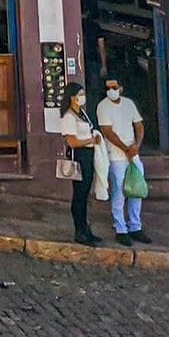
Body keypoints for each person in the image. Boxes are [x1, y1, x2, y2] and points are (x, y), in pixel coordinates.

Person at [96, 76, 150, 244]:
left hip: (133, 154)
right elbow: (107, 131)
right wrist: (126, 148)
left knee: (136, 190)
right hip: (116, 156)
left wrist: (137, 145)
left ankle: (135, 226)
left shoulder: (128, 104)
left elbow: (139, 125)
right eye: (108, 87)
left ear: (121, 88)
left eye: (114, 87)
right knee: (118, 193)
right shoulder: (102, 106)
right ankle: (120, 228)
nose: (111, 90)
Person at [59, 80, 103, 246]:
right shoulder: (69, 117)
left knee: (85, 195)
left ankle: (86, 229)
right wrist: (90, 140)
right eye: (79, 95)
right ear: (72, 97)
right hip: (79, 156)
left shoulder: (82, 114)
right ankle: (80, 231)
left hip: (89, 154)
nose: (82, 97)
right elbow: (71, 141)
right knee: (79, 195)